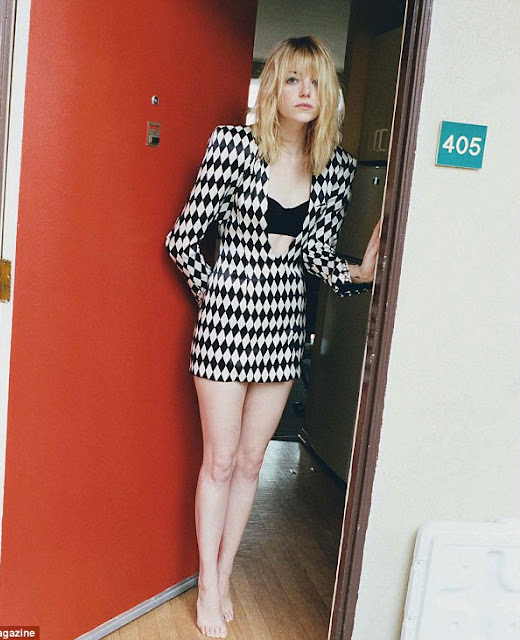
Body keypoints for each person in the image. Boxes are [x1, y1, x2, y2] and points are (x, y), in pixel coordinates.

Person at [165, 35, 380, 639]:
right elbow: (182, 241)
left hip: (284, 329)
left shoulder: (336, 167)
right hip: (226, 325)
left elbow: (315, 255)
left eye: (316, 81)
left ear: (327, 92)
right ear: (274, 89)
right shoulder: (233, 147)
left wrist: (359, 274)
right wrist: (220, 293)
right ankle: (207, 586)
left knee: (253, 461)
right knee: (220, 460)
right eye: (292, 79)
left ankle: (224, 572)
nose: (305, 91)